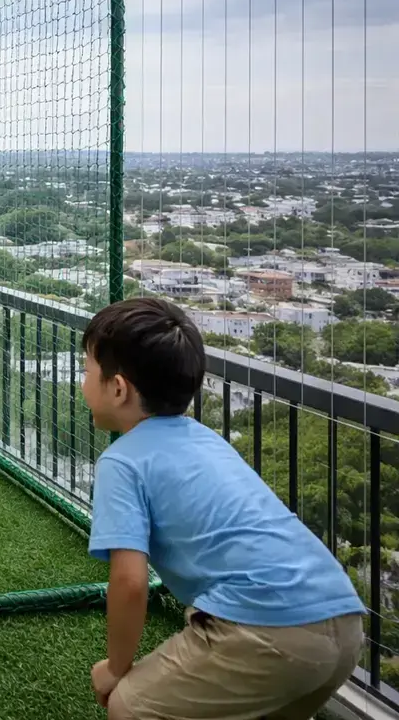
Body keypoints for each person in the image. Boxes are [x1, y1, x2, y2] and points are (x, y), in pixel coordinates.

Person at [82, 297, 365, 720]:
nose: (82, 381)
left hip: (265, 633)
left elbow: (130, 580)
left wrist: (115, 669)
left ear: (118, 388)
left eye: (86, 370)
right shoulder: (205, 438)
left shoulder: (122, 462)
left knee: (129, 707)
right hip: (343, 625)